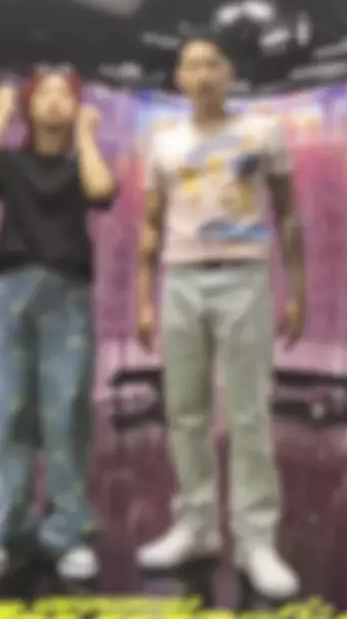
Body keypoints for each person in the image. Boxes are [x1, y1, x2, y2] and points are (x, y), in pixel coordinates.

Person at [136, 31, 305, 601]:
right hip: (180, 280)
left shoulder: (263, 132)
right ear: (179, 79)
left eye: (213, 64)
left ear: (230, 74)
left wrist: (298, 291)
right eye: (191, 66)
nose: (203, 74)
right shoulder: (164, 142)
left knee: (248, 412)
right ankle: (197, 525)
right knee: (184, 411)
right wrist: (142, 297)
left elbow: (288, 214)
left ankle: (256, 540)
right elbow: (151, 223)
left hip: (244, 277)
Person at [0, 69, 117, 582]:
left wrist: (87, 136)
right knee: (6, 410)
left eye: (65, 95)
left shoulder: (80, 165)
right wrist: (1, 112)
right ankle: (8, 530)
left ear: (77, 107)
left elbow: (102, 189)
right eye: (44, 94)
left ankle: (66, 532)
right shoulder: (11, 163)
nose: (54, 102)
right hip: (12, 292)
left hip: (68, 294)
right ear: (30, 107)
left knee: (67, 411)